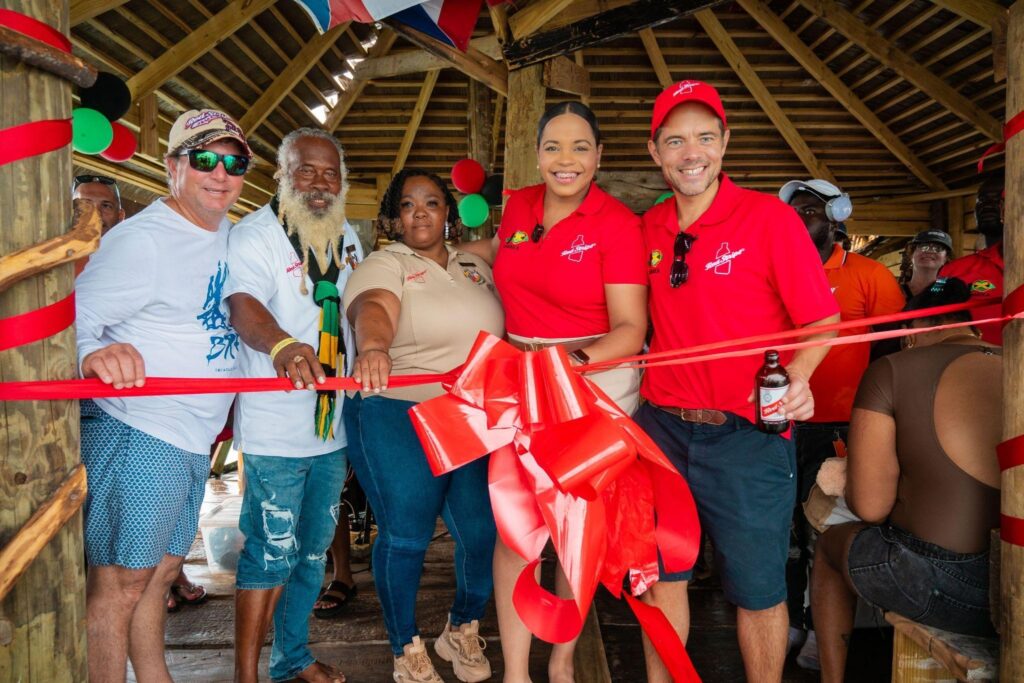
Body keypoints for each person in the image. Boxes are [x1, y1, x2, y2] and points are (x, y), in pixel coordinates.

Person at [632, 81, 841, 683]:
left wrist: (798, 375)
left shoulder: (770, 219)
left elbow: (822, 321)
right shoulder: (646, 227)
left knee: (758, 591)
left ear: (724, 143)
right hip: (661, 432)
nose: (690, 153)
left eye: (704, 137)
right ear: (655, 151)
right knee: (661, 579)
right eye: (675, 141)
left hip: (748, 437)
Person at [460, 100, 648, 683]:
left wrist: (566, 365)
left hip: (592, 379)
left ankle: (563, 662)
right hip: (520, 377)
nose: (566, 160)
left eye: (580, 147)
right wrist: (442, 261)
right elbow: (497, 256)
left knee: (573, 526)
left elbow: (630, 328)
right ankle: (517, 673)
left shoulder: (618, 224)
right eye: (553, 147)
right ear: (538, 155)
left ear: (599, 156)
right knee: (517, 530)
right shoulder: (518, 204)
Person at [75, 108, 249, 682]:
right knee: (120, 582)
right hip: (139, 427)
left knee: (160, 574)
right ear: (173, 167)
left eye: (234, 163)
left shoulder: (231, 235)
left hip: (191, 435)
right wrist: (91, 353)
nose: (220, 173)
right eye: (205, 159)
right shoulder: (141, 241)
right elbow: (71, 319)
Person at [342, 169, 504, 683]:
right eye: (408, 205)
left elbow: (513, 242)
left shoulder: (472, 264)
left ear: (448, 214)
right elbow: (373, 308)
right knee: (407, 533)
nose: (420, 213)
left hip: (468, 413)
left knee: (481, 531)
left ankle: (461, 628)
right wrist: (373, 347)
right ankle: (405, 647)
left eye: (431, 203)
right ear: (394, 218)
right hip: (397, 411)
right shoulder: (385, 262)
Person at [812, 277, 1000, 683]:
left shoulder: (892, 370)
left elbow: (870, 506)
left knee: (830, 545)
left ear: (910, 334)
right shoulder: (1011, 362)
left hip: (951, 586)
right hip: (1013, 580)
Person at [226, 127, 361, 683]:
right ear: (281, 175)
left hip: (331, 429)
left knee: (311, 555)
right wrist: (282, 344)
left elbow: (360, 308)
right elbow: (242, 305)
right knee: (269, 553)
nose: (319, 183)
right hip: (275, 430)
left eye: (330, 173)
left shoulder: (346, 235)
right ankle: (246, 674)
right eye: (306, 170)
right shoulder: (255, 235)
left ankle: (292, 657)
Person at [777, 179, 904, 662]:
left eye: (809, 210)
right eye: (792, 211)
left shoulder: (870, 274)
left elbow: (891, 352)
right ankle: (788, 619)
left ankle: (820, 627)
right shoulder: (772, 269)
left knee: (827, 528)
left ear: (836, 218)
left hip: (841, 427)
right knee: (781, 527)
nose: (798, 219)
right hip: (776, 421)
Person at [942, 171, 1005, 344]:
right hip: (974, 357)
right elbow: (932, 302)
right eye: (981, 200)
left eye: (999, 199)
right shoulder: (952, 270)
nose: (987, 206)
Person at [897, 229, 953, 299]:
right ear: (911, 254)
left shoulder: (952, 292)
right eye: (923, 246)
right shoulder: (896, 291)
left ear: (945, 258)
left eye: (938, 248)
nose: (930, 251)